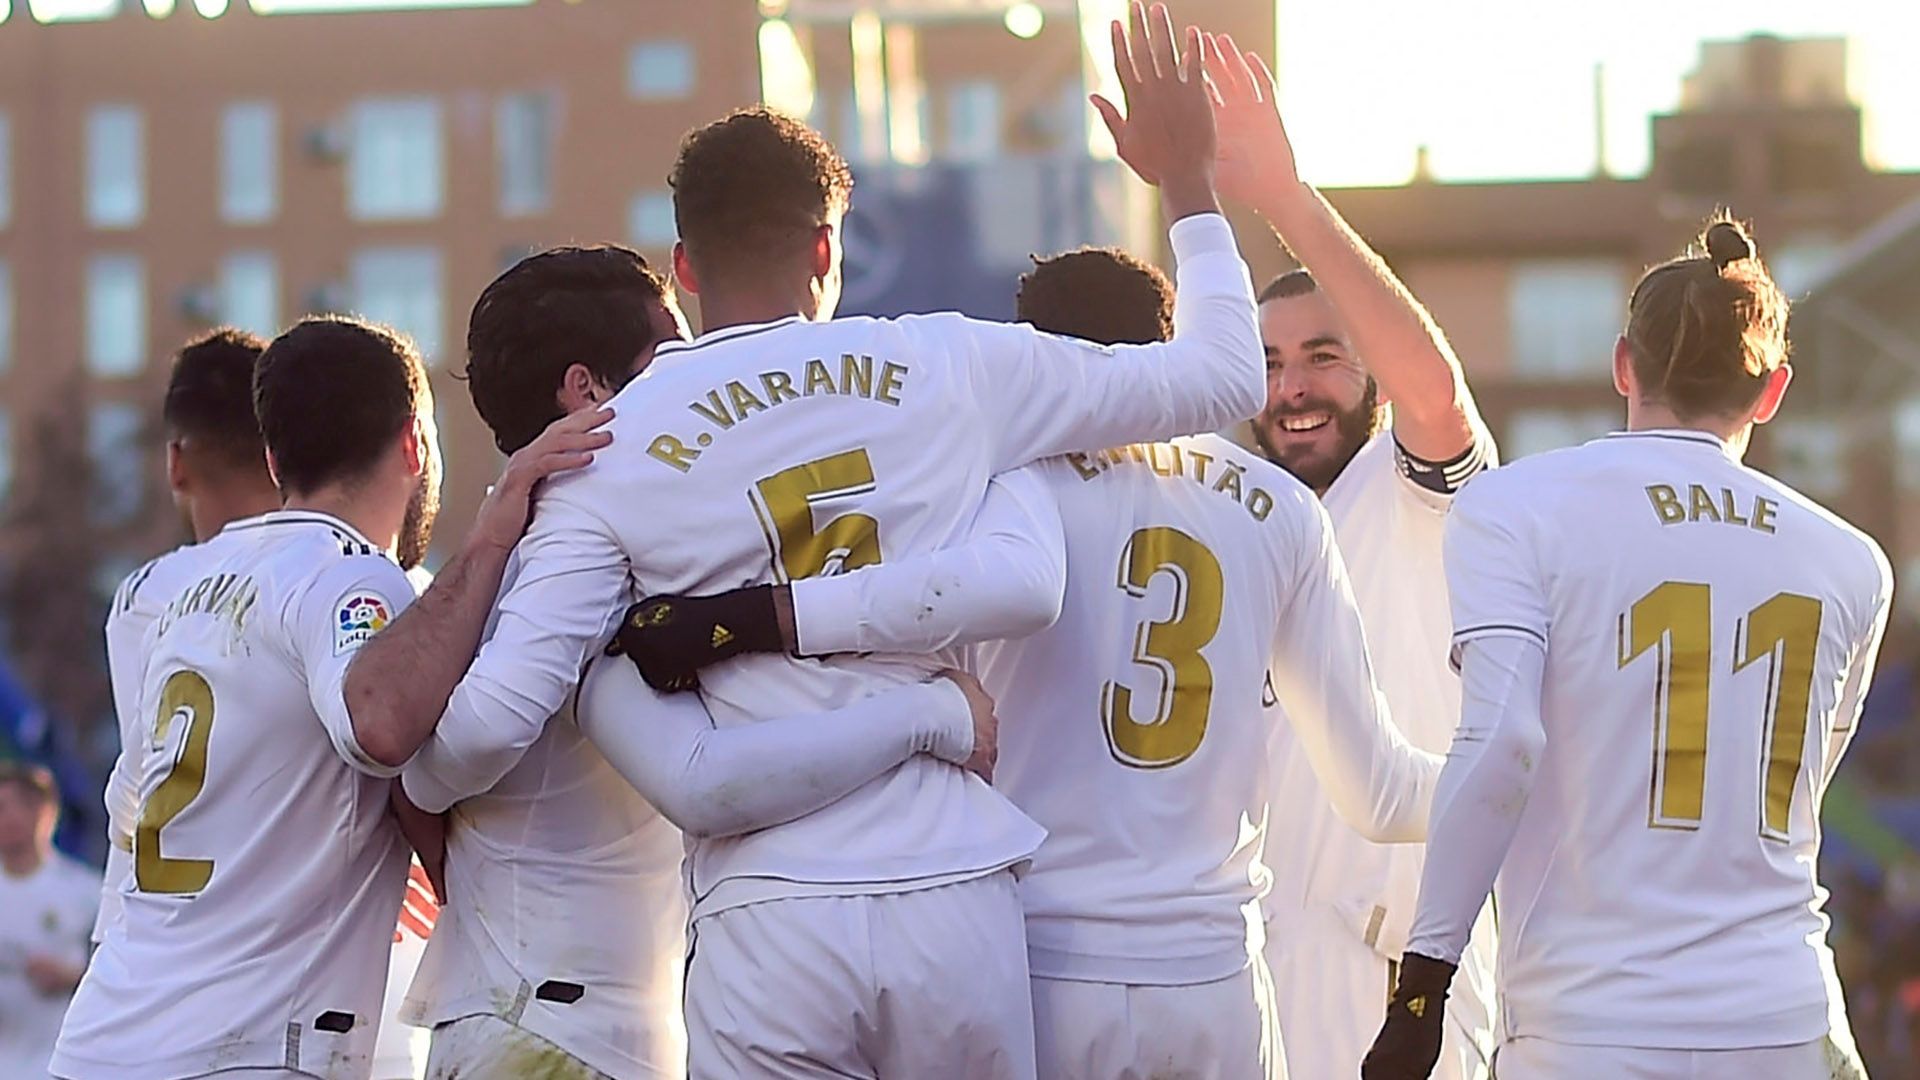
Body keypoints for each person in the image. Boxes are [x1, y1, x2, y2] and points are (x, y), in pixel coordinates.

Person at [340, 5, 1264, 1075]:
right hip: (952, 891)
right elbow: (1224, 377)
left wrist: (421, 779)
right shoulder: (955, 364)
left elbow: (486, 730)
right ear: (828, 246)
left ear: (684, 266)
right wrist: (1187, 182)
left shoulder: (610, 442)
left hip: (769, 913)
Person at [621, 246, 1441, 1080]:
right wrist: (1507, 781)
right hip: (1216, 982)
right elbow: (1379, 794)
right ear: (1164, 354)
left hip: (1035, 960)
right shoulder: (1283, 509)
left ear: (1034, 358)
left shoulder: (985, 490)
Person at [382, 246, 1005, 1079]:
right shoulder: (580, 569)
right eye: (669, 358)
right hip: (562, 1037)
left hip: (528, 1021)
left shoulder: (489, 569)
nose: (696, 382)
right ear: (586, 392)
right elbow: (699, 777)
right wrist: (935, 716)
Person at [1362, 219, 1890, 1079]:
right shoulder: (1853, 560)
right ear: (1772, 391)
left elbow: (1502, 743)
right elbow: (1804, 790)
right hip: (1784, 1017)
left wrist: (1425, 985)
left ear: (1623, 364)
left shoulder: (1515, 507)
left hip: (1589, 1024)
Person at [1198, 35, 1499, 1079]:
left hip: (1394, 977)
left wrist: (1283, 195)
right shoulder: (1232, 509)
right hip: (1254, 969)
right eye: (1271, 363)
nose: (1292, 388)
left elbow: (1436, 395)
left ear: (1372, 372)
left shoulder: (1414, 492)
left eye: (1324, 357)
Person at [53, 316, 447, 1079]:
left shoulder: (167, 590)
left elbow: (132, 801)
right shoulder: (363, 577)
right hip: (256, 1026)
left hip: (116, 1009)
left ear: (275, 458)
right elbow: (386, 732)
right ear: (415, 444)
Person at [98, 329, 281, 944]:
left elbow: (138, 784)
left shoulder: (146, 594)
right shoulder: (336, 572)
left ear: (176, 462)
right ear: (282, 453)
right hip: (287, 928)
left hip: (155, 925)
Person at [0, 763, 98, 1076]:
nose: (8, 819)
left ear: (46, 812)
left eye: (20, 806)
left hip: (60, 1059)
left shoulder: (86, 890)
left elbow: (121, 973)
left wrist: (70, 977)